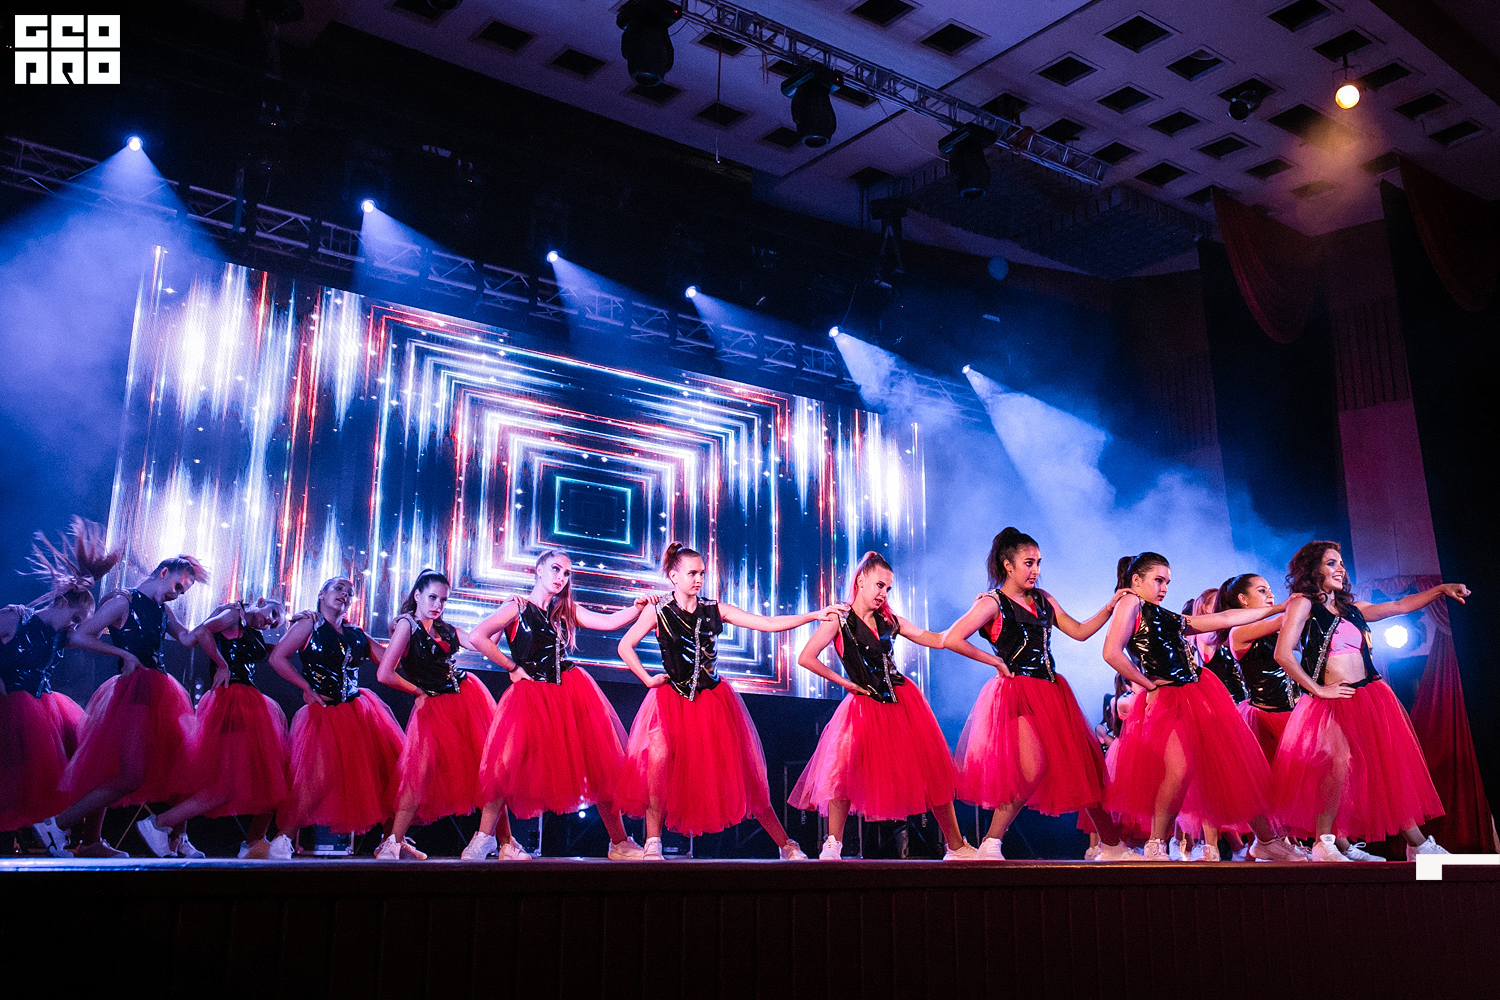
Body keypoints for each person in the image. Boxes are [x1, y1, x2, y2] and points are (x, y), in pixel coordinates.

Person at [615, 541, 839, 860]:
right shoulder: (657, 610)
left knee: (745, 774)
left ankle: (785, 844)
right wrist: (648, 679)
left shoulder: (714, 609)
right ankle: (653, 841)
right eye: (692, 573)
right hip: (670, 701)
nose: (698, 579)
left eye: (702, 573)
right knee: (657, 764)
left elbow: (766, 623)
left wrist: (813, 615)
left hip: (712, 702)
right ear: (674, 576)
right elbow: (625, 646)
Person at [941, 528, 1139, 861]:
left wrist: (1109, 608)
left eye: (1038, 562)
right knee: (1031, 769)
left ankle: (1111, 845)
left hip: (1053, 691)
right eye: (1028, 562)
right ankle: (991, 842)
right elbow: (953, 638)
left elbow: (1078, 631)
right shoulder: (993, 602)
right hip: (1018, 692)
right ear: (1008, 565)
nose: (1035, 569)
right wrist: (995, 661)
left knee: (1086, 769)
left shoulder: (1043, 599)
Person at [1100, 552, 1304, 862]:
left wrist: (1278, 607)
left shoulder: (1165, 615)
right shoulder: (1131, 602)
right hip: (1170, 698)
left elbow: (1222, 619)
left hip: (1198, 692)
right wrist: (1148, 685)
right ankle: (1156, 844)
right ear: (1136, 580)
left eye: (1167, 582)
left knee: (1235, 766)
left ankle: (1265, 840)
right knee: (1179, 770)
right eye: (1158, 580)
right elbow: (1111, 653)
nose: (1164, 588)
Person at [1269, 541, 1466, 862]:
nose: (1340, 569)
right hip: (1331, 701)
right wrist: (1318, 690)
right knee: (1337, 762)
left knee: (1385, 767)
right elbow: (1283, 653)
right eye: (1331, 563)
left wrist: (1440, 590)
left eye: (1341, 563)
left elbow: (1399, 606)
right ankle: (1324, 842)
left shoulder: (1353, 609)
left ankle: (1418, 845)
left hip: (1369, 696)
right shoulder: (1303, 604)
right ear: (1313, 569)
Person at [790, 551, 978, 861]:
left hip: (903, 703)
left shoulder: (891, 621)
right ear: (861, 580)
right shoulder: (839, 619)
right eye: (879, 585)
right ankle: (833, 843)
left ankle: (956, 846)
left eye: (888, 588)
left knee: (932, 770)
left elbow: (938, 639)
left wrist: (973, 614)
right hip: (863, 705)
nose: (883, 593)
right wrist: (845, 683)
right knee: (842, 771)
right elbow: (806, 657)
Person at [466, 550, 652, 862]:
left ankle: (619, 842)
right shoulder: (517, 606)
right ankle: (485, 839)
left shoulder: (564, 610)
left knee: (600, 766)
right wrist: (511, 667)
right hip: (530, 695)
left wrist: (636, 608)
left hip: (570, 692)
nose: (560, 577)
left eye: (566, 573)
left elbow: (607, 622)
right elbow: (477, 637)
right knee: (504, 764)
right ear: (538, 570)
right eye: (555, 569)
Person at [34, 554, 209, 859]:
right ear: (163, 572)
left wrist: (215, 621)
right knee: (129, 775)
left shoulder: (162, 609)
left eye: (184, 592)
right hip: (134, 692)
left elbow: (185, 637)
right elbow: (79, 636)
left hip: (159, 691)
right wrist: (124, 655)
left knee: (179, 762)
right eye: (178, 586)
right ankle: (56, 825)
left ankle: (97, 841)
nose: (178, 594)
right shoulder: (123, 601)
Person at [133, 598, 293, 860]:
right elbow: (201, 631)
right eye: (273, 613)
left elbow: (274, 652)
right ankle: (160, 823)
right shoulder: (233, 615)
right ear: (260, 601)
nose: (271, 621)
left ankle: (250, 841)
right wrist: (221, 664)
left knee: (260, 774)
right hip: (232, 701)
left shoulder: (251, 633)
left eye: (275, 623)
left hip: (247, 702)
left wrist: (301, 629)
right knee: (226, 784)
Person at [269, 577, 406, 855]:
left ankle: (391, 842)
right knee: (316, 779)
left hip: (360, 711)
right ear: (322, 593)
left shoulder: (356, 633)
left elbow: (390, 660)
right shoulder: (308, 624)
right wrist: (306, 688)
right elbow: (277, 658)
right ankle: (284, 838)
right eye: (339, 588)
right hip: (324, 713)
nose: (344, 594)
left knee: (389, 772)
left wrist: (400, 628)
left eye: (350, 592)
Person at [0, 519, 119, 840]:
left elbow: (90, 636)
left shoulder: (62, 636)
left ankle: (87, 839)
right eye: (76, 619)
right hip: (11, 704)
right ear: (63, 602)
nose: (74, 626)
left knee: (93, 757)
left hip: (42, 707)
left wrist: (126, 651)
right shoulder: (15, 617)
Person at [373, 570, 503, 861]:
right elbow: (384, 673)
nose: (437, 605)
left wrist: (503, 618)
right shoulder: (407, 625)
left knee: (488, 769)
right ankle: (392, 842)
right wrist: (418, 691)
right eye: (432, 597)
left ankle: (503, 842)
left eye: (443, 600)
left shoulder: (446, 629)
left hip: (465, 699)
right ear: (417, 595)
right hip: (433, 706)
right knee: (418, 774)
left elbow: (481, 642)